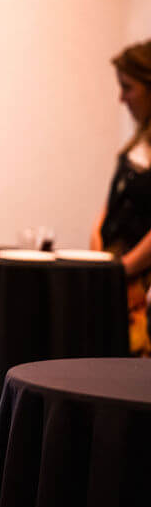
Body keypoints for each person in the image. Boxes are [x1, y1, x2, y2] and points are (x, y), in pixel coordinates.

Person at [91, 39, 151, 356]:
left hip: (139, 284)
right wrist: (99, 253)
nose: (122, 98)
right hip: (117, 274)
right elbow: (110, 207)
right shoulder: (135, 146)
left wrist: (125, 267)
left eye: (128, 88)